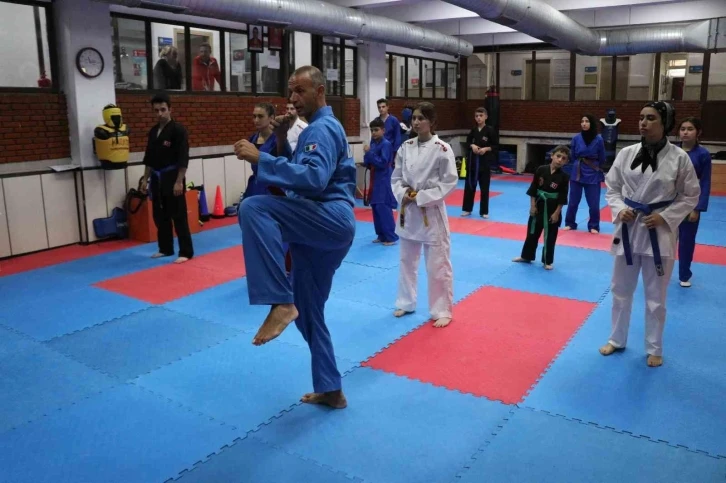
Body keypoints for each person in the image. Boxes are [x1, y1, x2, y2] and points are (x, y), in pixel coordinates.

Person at [234, 66, 356, 409]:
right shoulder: (313, 130)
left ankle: (279, 300)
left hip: (328, 218)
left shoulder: (322, 127)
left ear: (320, 91)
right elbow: (302, 175)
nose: (293, 98)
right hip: (320, 228)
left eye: (300, 91)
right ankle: (331, 389)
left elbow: (314, 179)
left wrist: (262, 158)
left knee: (253, 207)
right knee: (309, 312)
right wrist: (281, 144)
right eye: (290, 92)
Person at [599, 101, 700, 368]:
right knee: (620, 290)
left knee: (656, 297)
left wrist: (666, 216)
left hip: (659, 232)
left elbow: (691, 195)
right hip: (629, 228)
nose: (643, 122)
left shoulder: (679, 158)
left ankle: (654, 347)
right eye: (642, 117)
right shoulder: (626, 153)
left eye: (651, 118)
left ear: (665, 123)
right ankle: (616, 339)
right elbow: (612, 187)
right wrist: (619, 209)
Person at [391, 102, 458, 328]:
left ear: (432, 121)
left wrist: (421, 196)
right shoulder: (405, 146)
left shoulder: (442, 149)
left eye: (421, 118)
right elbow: (396, 177)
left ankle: (442, 309)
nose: (416, 122)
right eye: (414, 118)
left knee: (437, 264)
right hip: (408, 211)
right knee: (406, 261)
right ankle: (406, 302)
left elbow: (449, 182)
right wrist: (404, 194)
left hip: (431, 211)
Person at [140, 93, 194, 263]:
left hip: (173, 176)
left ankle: (185, 251)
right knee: (159, 215)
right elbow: (149, 158)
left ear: (170, 109)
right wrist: (145, 179)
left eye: (163, 109)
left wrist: (179, 181)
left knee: (178, 215)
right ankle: (165, 248)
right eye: (156, 110)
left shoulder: (178, 130)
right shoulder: (153, 132)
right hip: (157, 178)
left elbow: (183, 158)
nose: (160, 114)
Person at [512, 145, 570, 270]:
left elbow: (563, 197)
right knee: (532, 233)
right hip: (538, 205)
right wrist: (532, 206)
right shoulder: (541, 169)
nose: (560, 159)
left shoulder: (564, 177)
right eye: (558, 156)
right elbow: (534, 188)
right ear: (552, 156)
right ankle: (526, 256)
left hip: (552, 208)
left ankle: (547, 261)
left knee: (550, 236)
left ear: (566, 162)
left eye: (563, 158)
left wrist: (557, 213)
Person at [677, 117, 711, 288]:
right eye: (683, 129)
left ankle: (684, 274)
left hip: (690, 202)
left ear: (698, 132)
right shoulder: (672, 151)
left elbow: (705, 182)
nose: (685, 132)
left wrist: (697, 208)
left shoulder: (703, 154)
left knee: (686, 241)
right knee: (663, 238)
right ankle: (659, 270)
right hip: (670, 201)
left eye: (690, 129)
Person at [564, 114, 606, 233]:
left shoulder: (599, 139)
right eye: (582, 121)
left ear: (591, 123)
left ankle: (593, 225)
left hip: (592, 172)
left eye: (587, 121)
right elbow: (573, 155)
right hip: (577, 171)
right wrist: (579, 163)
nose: (584, 123)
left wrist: (594, 166)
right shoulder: (576, 138)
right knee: (573, 201)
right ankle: (570, 223)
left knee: (594, 203)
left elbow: (602, 157)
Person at [363, 118, 398, 246]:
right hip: (374, 177)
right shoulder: (373, 144)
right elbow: (368, 161)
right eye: (372, 130)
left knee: (383, 207)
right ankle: (381, 235)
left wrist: (370, 154)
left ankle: (391, 236)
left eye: (376, 130)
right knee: (375, 206)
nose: (374, 132)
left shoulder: (386, 144)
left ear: (383, 130)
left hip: (384, 178)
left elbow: (383, 162)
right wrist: (367, 157)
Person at [462, 107, 498, 218]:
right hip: (472, 163)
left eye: (481, 116)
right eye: (476, 116)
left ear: (486, 117)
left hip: (484, 163)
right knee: (469, 186)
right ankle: (467, 209)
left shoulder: (490, 130)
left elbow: (495, 146)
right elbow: (467, 143)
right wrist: (472, 145)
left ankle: (484, 211)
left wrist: (486, 149)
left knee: (484, 188)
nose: (478, 118)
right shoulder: (473, 130)